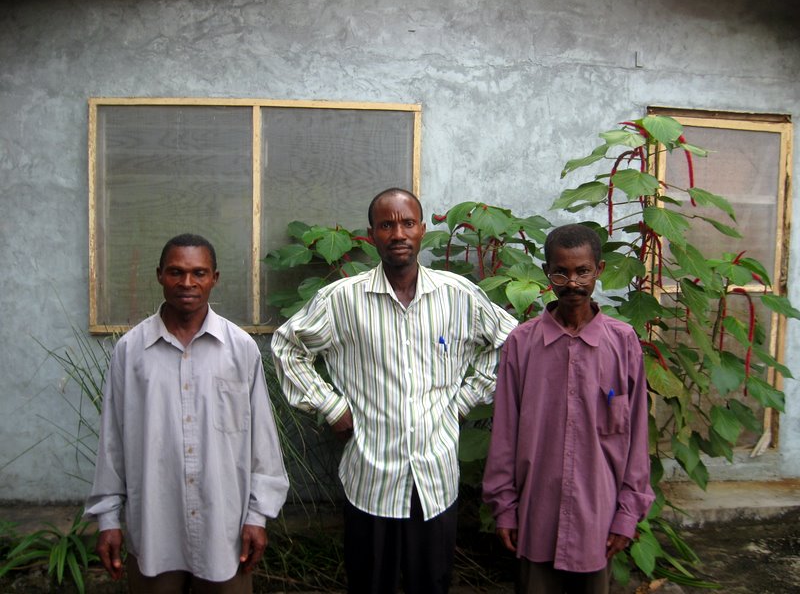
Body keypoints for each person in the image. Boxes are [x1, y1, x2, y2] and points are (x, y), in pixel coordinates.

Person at [271, 188, 517, 594]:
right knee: (370, 584)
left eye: (407, 223)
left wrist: (466, 399)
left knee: (431, 584)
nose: (398, 233)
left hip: (435, 477)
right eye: (386, 225)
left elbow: (510, 343)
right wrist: (330, 406)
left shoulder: (458, 296)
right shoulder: (342, 301)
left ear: (422, 229)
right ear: (371, 234)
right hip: (371, 477)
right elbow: (287, 347)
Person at [85, 233, 290, 593]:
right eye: (176, 272)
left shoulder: (240, 349)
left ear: (214, 278)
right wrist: (108, 519)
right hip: (155, 532)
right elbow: (112, 442)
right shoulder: (130, 352)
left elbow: (263, 442)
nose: (187, 283)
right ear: (159, 275)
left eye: (199, 273)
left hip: (225, 534)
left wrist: (258, 516)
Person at [482, 224, 654, 594]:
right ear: (547, 273)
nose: (572, 283)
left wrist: (628, 514)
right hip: (536, 517)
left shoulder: (623, 343)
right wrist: (505, 507)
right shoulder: (522, 344)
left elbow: (637, 438)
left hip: (598, 522)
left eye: (583, 272)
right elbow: (504, 435)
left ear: (599, 270)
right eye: (561, 272)